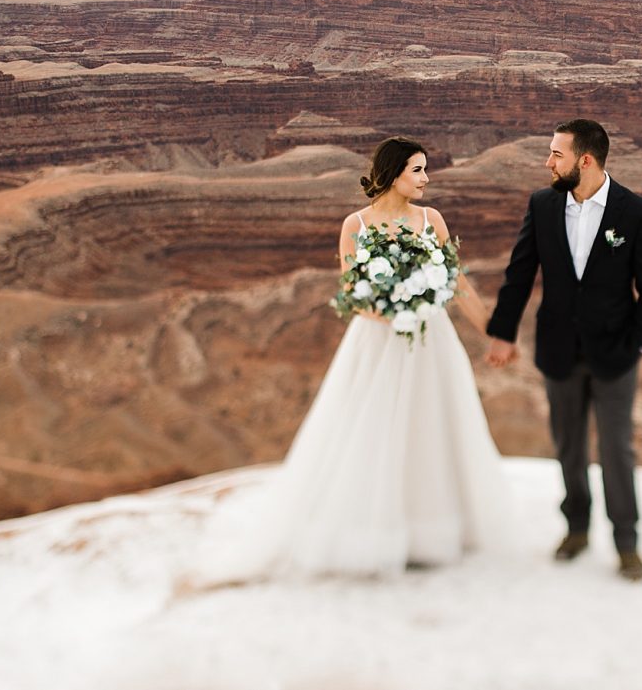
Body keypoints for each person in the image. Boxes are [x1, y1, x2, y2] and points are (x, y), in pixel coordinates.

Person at [197, 136, 513, 581]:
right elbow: (351, 292)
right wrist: (394, 309)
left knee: (430, 427)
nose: (426, 179)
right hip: (378, 343)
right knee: (373, 430)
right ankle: (372, 533)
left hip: (430, 343)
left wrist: (494, 334)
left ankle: (430, 533)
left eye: (425, 169)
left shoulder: (431, 220)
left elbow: (458, 284)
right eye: (417, 170)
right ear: (393, 173)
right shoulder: (356, 225)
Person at [485, 119, 642, 581]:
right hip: (559, 351)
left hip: (616, 354)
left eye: (556, 154)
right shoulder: (543, 205)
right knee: (568, 448)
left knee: (616, 451)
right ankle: (576, 529)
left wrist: (640, 342)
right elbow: (519, 273)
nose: (547, 162)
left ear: (584, 160)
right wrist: (503, 333)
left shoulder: (635, 212)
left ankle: (627, 542)